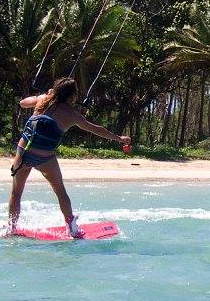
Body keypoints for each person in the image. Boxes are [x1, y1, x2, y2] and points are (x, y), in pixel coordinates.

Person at [7, 77, 131, 237]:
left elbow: (23, 103)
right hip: (45, 159)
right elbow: (96, 129)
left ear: (56, 89)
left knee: (16, 193)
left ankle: (11, 228)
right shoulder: (72, 115)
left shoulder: (43, 100)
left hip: (23, 154)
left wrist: (43, 95)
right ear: (72, 96)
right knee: (60, 192)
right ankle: (72, 229)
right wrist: (119, 138)